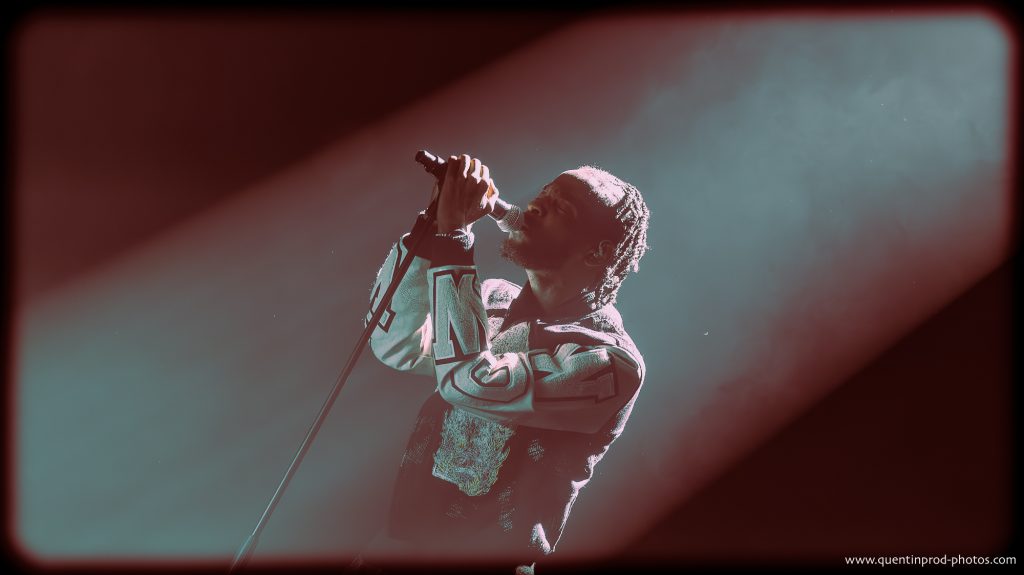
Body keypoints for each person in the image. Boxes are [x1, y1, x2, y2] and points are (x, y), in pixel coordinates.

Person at [360, 154, 650, 574]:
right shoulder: (492, 298)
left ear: (598, 252)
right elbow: (397, 346)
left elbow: (468, 381)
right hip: (396, 549)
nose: (535, 206)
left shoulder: (610, 362)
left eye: (562, 207)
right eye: (544, 194)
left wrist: (454, 239)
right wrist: (430, 230)